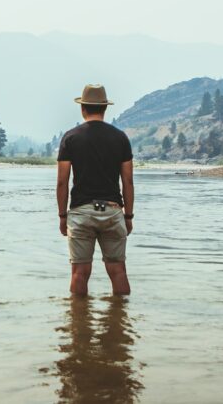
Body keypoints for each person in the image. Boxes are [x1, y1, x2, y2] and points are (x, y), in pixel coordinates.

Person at [56, 84, 134, 296]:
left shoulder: (71, 138)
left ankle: (79, 324)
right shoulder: (120, 138)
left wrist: (63, 216)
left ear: (83, 109)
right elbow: (128, 181)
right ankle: (121, 321)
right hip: (112, 210)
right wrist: (128, 216)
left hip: (81, 213)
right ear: (104, 109)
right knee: (118, 271)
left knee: (79, 272)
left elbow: (62, 182)